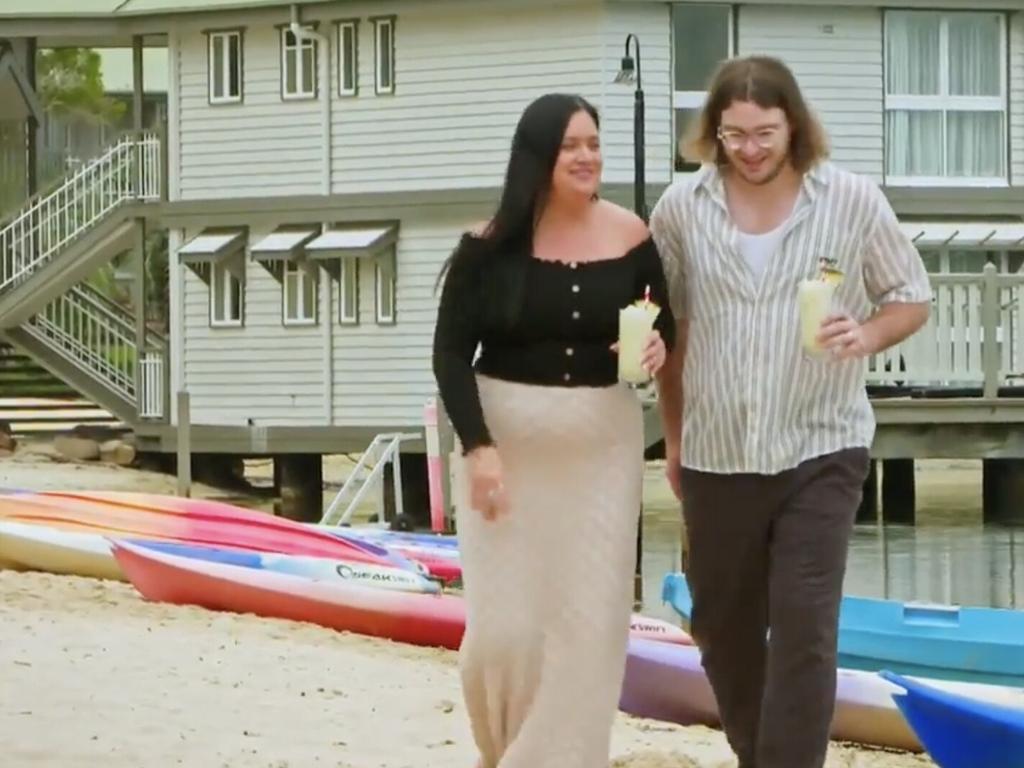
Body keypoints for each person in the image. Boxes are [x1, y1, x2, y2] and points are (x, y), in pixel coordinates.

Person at [649, 56, 931, 768]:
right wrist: (674, 441)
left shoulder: (852, 200)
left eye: (765, 132)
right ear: (714, 131)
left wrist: (866, 334)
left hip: (822, 446)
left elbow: (911, 295)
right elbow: (669, 333)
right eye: (733, 132)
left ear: (794, 126)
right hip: (716, 452)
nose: (749, 148)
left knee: (805, 632)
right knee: (724, 632)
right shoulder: (681, 210)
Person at [431, 92, 675, 768]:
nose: (588, 156)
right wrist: (478, 447)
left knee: (588, 627)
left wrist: (656, 350)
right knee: (503, 632)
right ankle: (503, 750)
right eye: (572, 145)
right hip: (505, 452)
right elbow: (450, 355)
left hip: (604, 453)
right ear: (539, 157)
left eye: (593, 143)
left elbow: (665, 327)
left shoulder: (633, 236)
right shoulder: (487, 249)